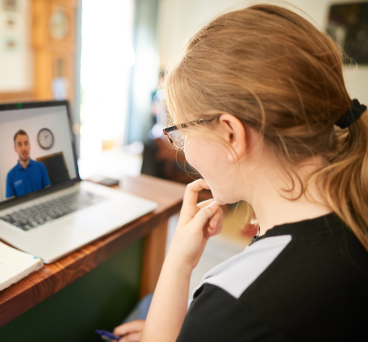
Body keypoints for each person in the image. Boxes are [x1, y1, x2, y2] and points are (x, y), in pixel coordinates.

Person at [114, 3, 368, 342]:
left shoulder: (233, 303)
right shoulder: (354, 205)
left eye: (182, 132)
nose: (183, 148)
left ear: (231, 135)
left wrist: (178, 265)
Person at [6, 130, 50, 198]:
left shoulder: (41, 167)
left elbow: (49, 193)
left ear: (29, 146)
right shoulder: (10, 176)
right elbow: (11, 205)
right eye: (19, 145)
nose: (24, 148)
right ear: (15, 149)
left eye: (26, 143)